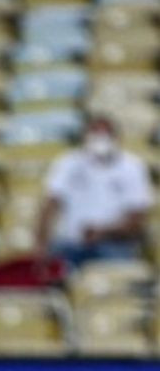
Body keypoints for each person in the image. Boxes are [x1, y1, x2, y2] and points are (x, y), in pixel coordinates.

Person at [36, 114, 154, 267]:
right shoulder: (68, 163)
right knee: (56, 263)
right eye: (95, 134)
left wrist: (103, 232)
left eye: (105, 135)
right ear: (85, 136)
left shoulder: (133, 167)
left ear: (116, 138)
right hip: (71, 244)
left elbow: (137, 219)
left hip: (114, 245)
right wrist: (41, 246)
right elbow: (50, 205)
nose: (100, 140)